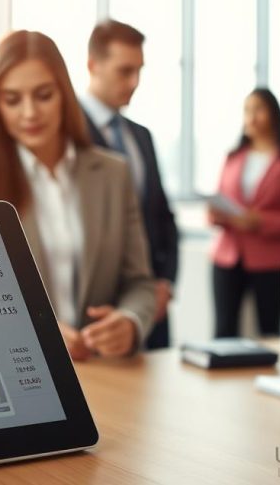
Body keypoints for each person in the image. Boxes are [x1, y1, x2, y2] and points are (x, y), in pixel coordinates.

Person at [0, 30, 156, 361]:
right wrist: (33, 329)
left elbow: (141, 283)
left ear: (64, 94)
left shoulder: (113, 174)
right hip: (21, 371)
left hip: (101, 371)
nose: (30, 113)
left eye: (43, 95)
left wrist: (130, 321)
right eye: (12, 100)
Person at [78, 19, 179, 350]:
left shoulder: (141, 136)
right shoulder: (66, 134)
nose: (134, 82)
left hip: (151, 302)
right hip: (97, 316)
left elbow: (162, 216)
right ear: (93, 66)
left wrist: (163, 283)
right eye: (124, 71)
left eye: (139, 71)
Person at [208, 88, 280, 337]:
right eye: (247, 110)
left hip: (271, 259)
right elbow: (217, 201)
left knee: (270, 333)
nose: (251, 117)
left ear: (274, 115)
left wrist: (259, 221)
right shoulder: (232, 157)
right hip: (227, 256)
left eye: (258, 109)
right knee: (223, 331)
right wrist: (216, 214)